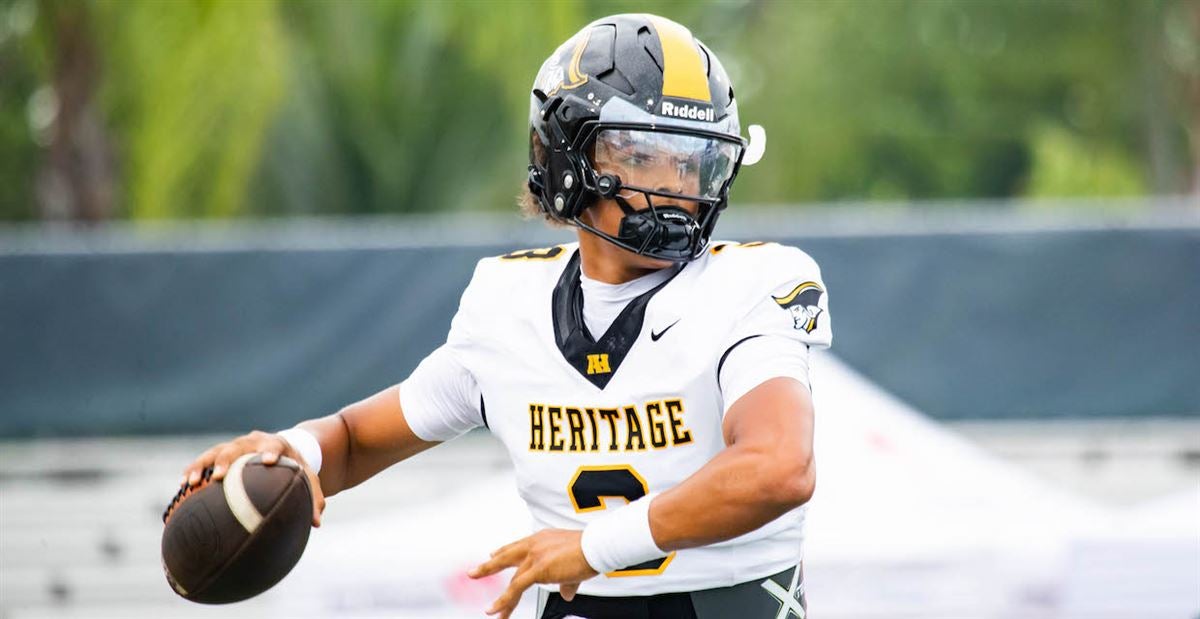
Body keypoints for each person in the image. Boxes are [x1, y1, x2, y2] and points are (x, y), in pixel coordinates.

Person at [180, 13, 831, 619]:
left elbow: (779, 465)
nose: (674, 185)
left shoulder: (755, 282)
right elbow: (355, 439)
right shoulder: (508, 303)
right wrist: (292, 452)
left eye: (691, 160)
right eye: (639, 156)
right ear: (566, 158)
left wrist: (595, 546)